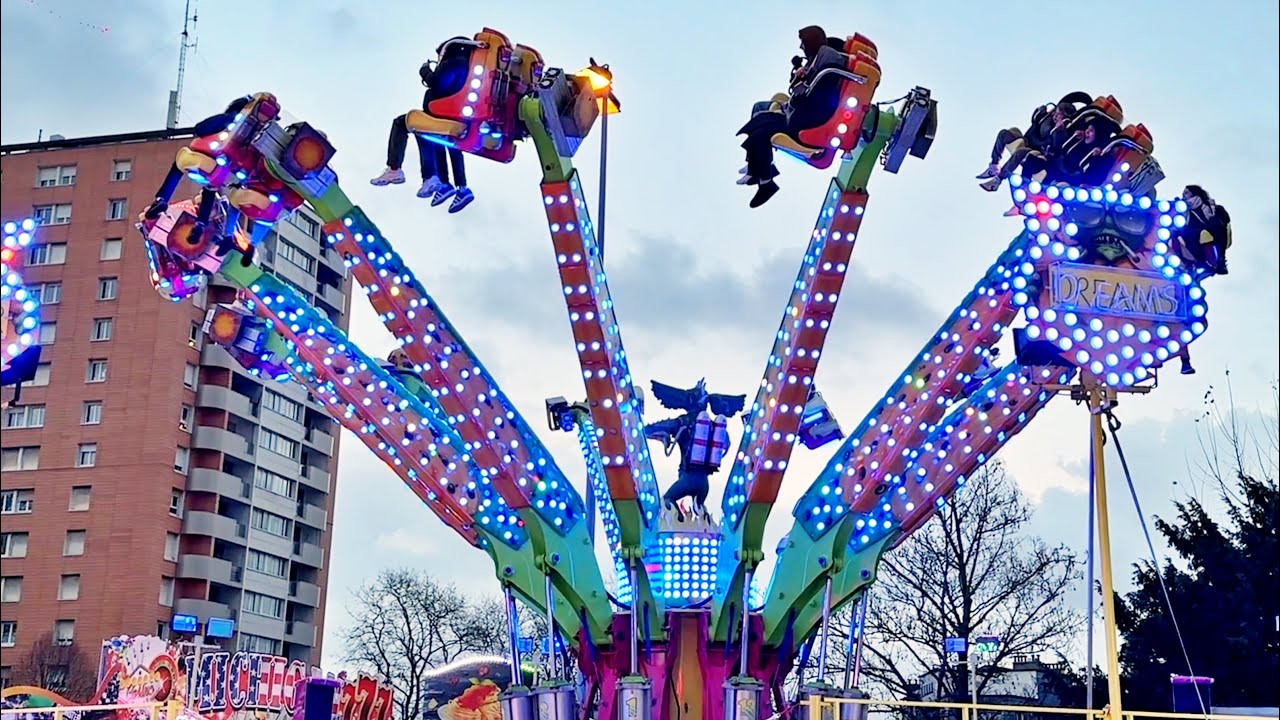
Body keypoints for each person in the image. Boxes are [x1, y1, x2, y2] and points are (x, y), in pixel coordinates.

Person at [736, 26, 847, 207]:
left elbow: (817, 89)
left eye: (803, 43)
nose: (801, 47)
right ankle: (757, 169)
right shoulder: (816, 58)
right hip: (800, 110)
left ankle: (766, 183)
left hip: (806, 118)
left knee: (761, 129)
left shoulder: (827, 57)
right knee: (759, 111)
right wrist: (800, 74)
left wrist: (803, 84)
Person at [370, 39, 475, 212]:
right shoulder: (467, 66)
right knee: (438, 139)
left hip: (442, 113)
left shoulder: (454, 62)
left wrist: (425, 71)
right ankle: (452, 185)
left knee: (403, 123)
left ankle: (397, 169)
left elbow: (437, 83)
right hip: (451, 116)